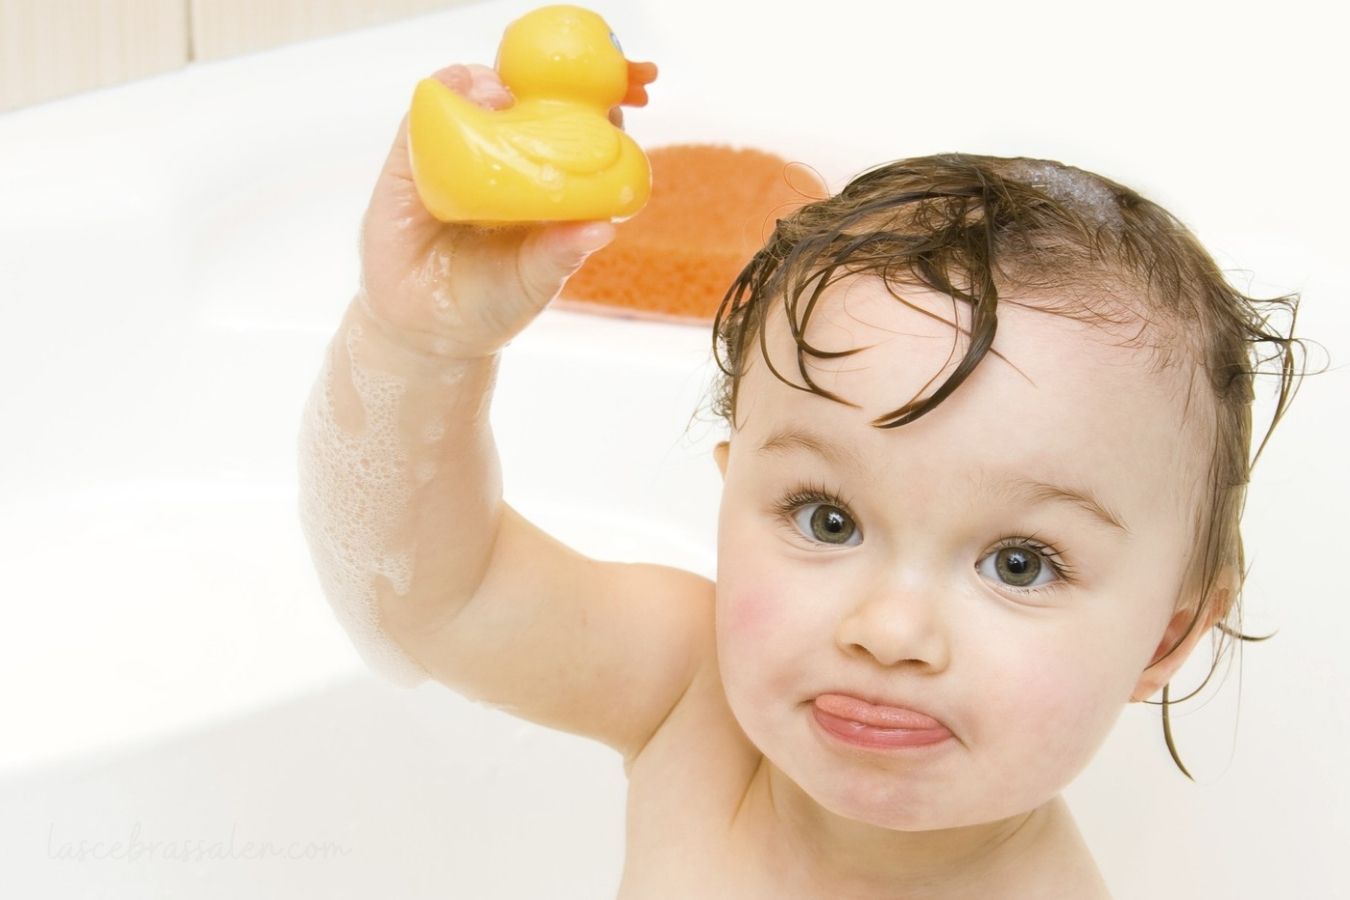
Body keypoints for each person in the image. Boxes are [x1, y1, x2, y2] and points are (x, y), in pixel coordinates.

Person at [297, 62, 1308, 897]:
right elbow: (434, 589)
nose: (887, 630)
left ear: (1166, 636)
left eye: (1018, 562)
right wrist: (415, 343)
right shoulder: (691, 699)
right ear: (733, 493)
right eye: (827, 519)